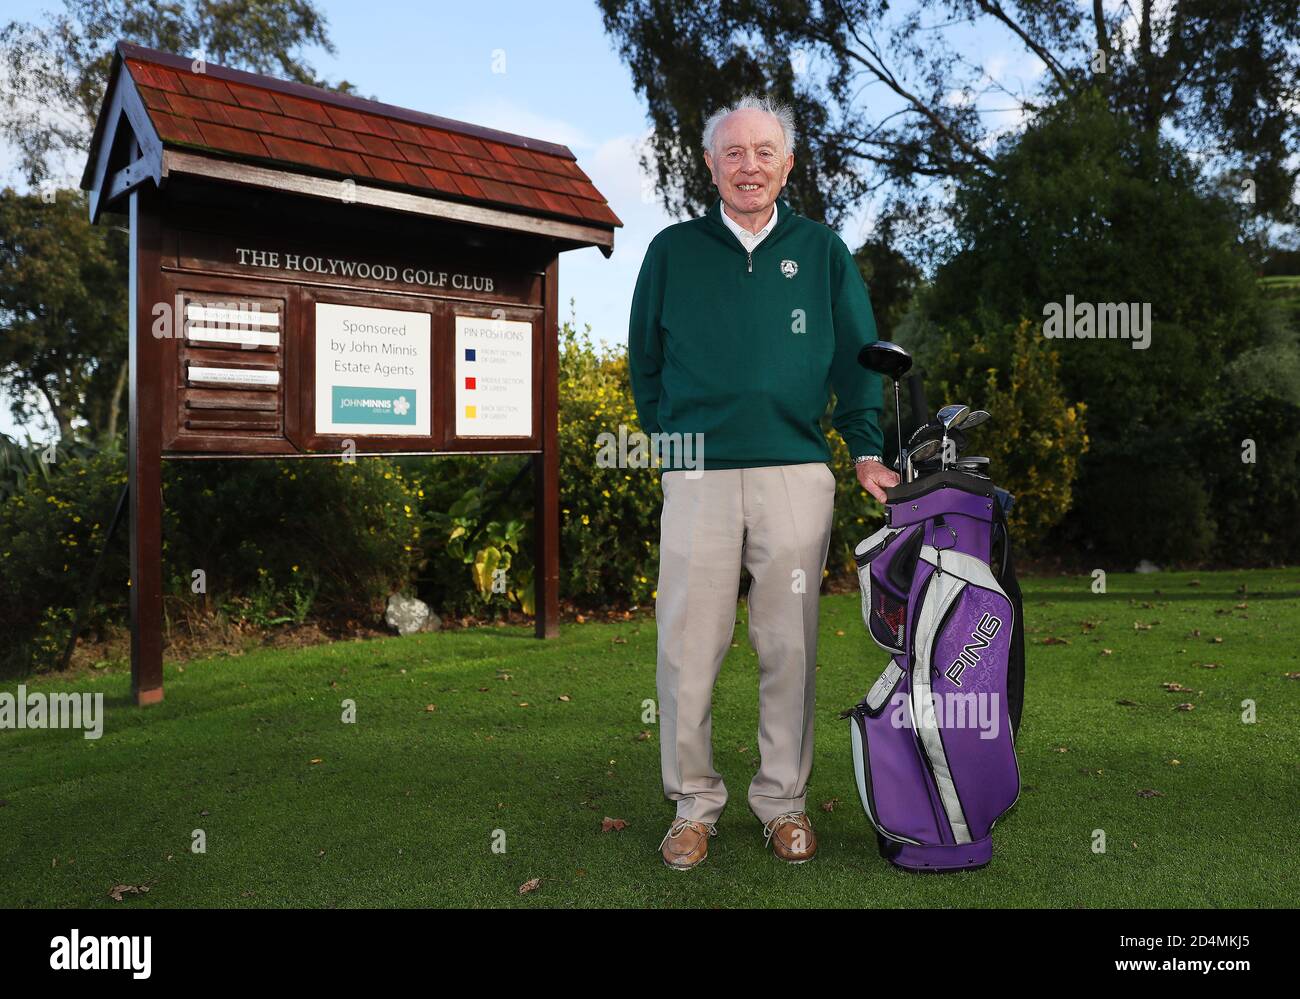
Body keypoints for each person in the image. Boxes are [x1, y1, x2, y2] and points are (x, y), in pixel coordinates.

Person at [627, 93, 898, 871]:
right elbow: (645, 363)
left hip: (794, 475)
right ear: (710, 164)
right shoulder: (673, 251)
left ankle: (783, 801)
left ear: (788, 163)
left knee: (789, 646)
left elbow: (859, 360)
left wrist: (864, 448)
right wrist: (671, 444)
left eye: (764, 151)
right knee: (688, 649)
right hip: (700, 478)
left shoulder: (820, 251)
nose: (750, 165)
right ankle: (693, 803)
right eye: (734, 152)